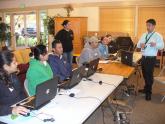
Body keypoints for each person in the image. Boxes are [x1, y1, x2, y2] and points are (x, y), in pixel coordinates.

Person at [137, 19, 164, 101]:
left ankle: (148, 92)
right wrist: (140, 45)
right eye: (147, 25)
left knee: (149, 75)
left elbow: (162, 46)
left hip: (151, 58)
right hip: (143, 57)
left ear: (153, 26)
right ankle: (146, 88)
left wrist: (155, 45)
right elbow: (138, 44)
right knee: (145, 74)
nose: (147, 27)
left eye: (149, 25)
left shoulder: (157, 35)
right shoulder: (143, 34)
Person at [0, 50, 29, 116]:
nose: (17, 63)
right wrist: (12, 110)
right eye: (14, 62)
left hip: (20, 110)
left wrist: (27, 102)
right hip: (6, 115)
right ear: (5, 66)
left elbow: (21, 92)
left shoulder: (12, 75)